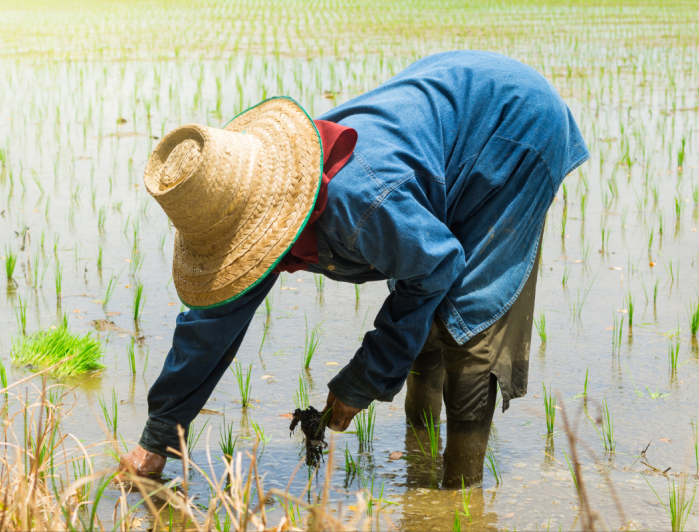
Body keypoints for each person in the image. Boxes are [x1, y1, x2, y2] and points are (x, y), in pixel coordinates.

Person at [118, 50, 588, 487]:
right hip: (453, 118)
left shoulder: (358, 199)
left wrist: (363, 379)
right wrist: (155, 440)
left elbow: (438, 265)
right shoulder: (239, 197)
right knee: (423, 305)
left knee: (468, 318)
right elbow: (212, 321)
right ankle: (419, 462)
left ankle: (458, 496)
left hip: (515, 125)